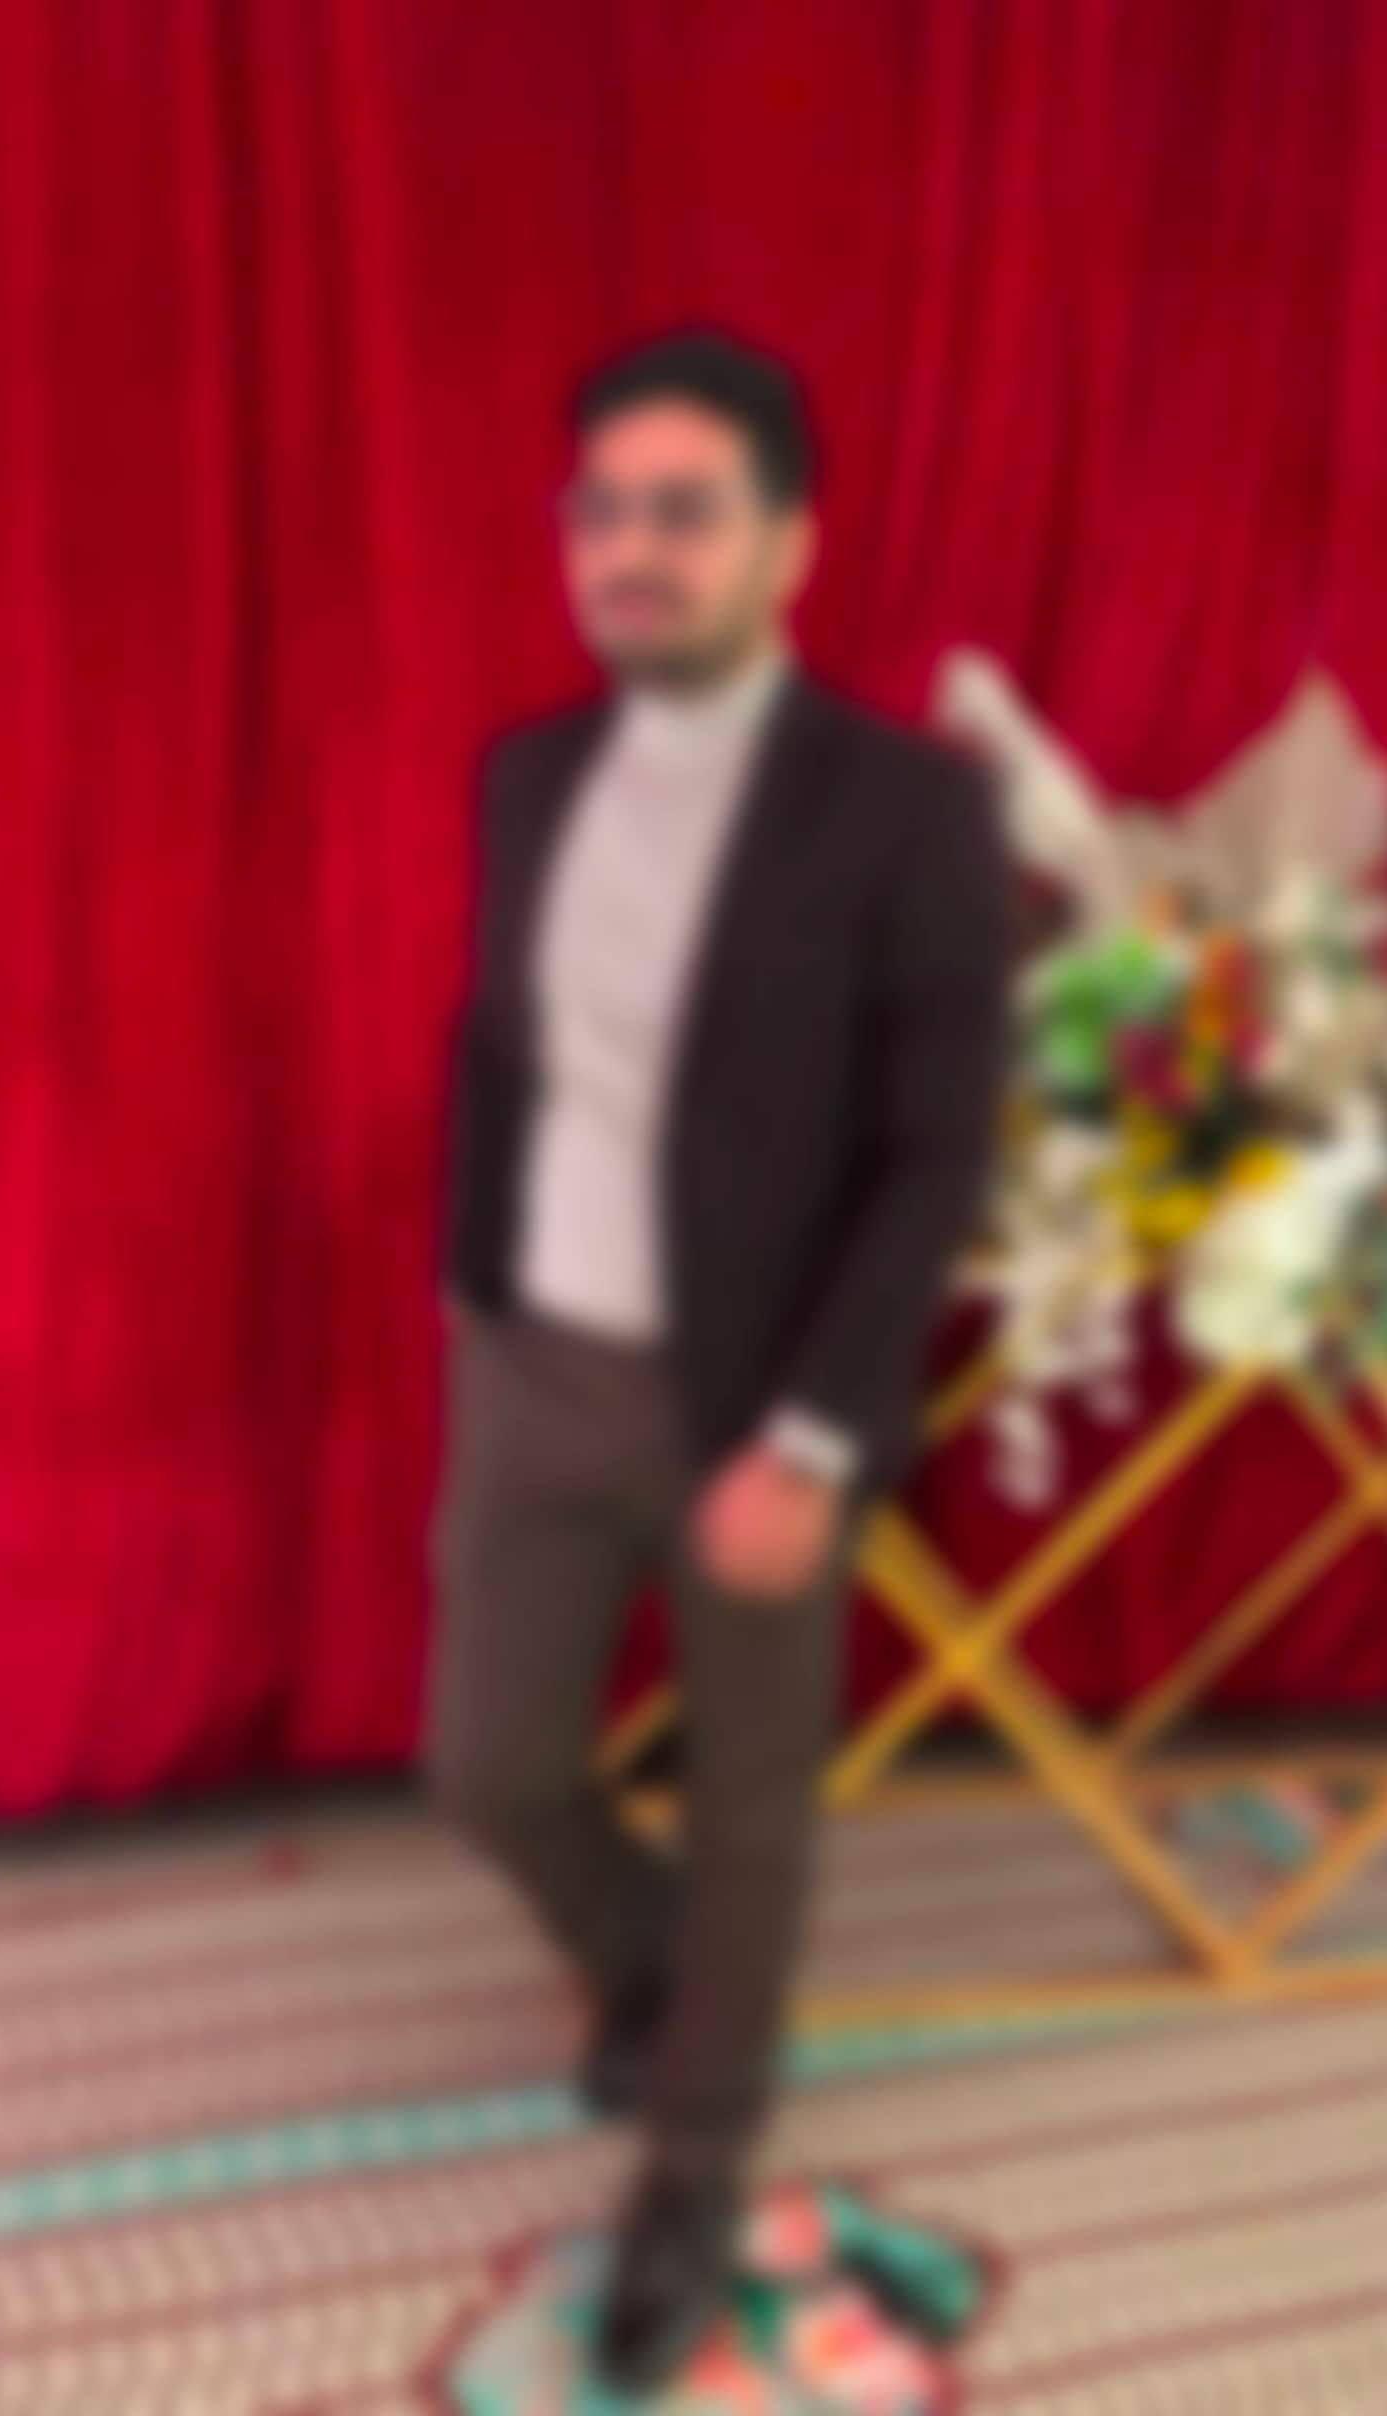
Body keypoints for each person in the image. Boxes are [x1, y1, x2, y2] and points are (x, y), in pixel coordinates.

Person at [431, 330, 1012, 2392]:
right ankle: (660, 1965)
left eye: (684, 511)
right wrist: (471, 1280)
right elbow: (504, 1046)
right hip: (535, 1364)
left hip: (760, 1395)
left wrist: (819, 1432)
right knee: (488, 1763)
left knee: (754, 1799)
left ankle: (695, 2155)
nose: (631, 550)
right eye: (599, 510)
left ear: (790, 543)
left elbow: (937, 1148)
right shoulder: (526, 774)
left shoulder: (910, 807)